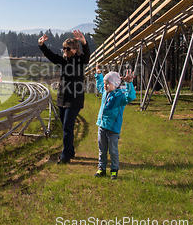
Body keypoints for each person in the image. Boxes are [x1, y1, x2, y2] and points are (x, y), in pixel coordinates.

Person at [38, 30, 90, 164]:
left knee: (67, 126)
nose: (64, 51)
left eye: (67, 49)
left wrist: (84, 42)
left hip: (75, 100)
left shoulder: (80, 61)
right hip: (61, 99)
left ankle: (65, 156)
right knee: (66, 127)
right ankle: (70, 151)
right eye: (64, 48)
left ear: (74, 49)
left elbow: (87, 56)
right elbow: (50, 55)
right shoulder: (62, 61)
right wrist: (41, 45)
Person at [94, 62, 136, 179]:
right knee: (102, 150)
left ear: (116, 84)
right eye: (105, 83)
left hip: (113, 129)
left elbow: (131, 97)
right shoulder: (105, 93)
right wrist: (99, 75)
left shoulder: (120, 96)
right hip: (102, 126)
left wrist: (129, 83)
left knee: (113, 151)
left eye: (108, 84)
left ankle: (114, 170)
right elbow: (100, 86)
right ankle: (101, 168)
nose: (105, 86)